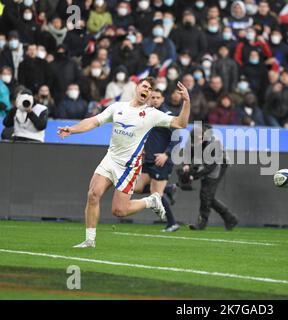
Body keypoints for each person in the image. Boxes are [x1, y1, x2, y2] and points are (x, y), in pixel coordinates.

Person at [56, 77, 191, 248]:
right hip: (110, 158)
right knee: (93, 194)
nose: (147, 90)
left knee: (119, 211)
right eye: (145, 86)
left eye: (150, 89)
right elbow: (93, 121)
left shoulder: (152, 114)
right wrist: (72, 129)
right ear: (137, 87)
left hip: (129, 166)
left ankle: (151, 201)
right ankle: (90, 240)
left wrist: (186, 102)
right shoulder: (117, 107)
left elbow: (181, 123)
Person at [134, 89, 180, 233]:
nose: (154, 100)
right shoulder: (147, 114)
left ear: (163, 99)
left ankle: (172, 223)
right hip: (149, 159)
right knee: (138, 188)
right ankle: (168, 189)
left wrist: (166, 154)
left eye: (157, 97)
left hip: (162, 161)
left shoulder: (167, 116)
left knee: (156, 194)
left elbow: (177, 137)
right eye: (152, 97)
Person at [182, 124, 238, 231]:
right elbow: (188, 153)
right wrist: (186, 165)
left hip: (219, 163)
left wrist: (193, 176)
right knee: (208, 196)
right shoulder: (193, 138)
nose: (196, 144)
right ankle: (230, 218)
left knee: (206, 193)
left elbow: (210, 167)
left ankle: (203, 222)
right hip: (206, 161)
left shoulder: (214, 143)